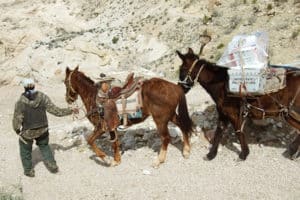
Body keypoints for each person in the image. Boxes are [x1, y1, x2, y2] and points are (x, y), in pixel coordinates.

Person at [12, 78, 78, 177]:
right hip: (43, 129)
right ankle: (52, 165)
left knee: (25, 150)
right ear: (34, 85)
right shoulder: (42, 97)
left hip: (28, 132)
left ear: (24, 87)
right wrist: (70, 111)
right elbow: (56, 111)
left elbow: (17, 120)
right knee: (45, 146)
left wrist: (17, 131)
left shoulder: (20, 102)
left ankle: (29, 170)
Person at [96, 73, 120, 142]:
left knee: (108, 108)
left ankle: (112, 128)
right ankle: (109, 127)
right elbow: (102, 94)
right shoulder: (104, 85)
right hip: (103, 99)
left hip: (107, 99)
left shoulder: (106, 85)